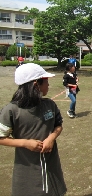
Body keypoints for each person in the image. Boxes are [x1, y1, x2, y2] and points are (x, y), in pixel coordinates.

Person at [0, 63, 67, 196]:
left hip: (51, 164)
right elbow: (1, 137)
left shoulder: (50, 105)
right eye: (46, 81)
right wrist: (25, 143)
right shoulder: (11, 110)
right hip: (27, 166)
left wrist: (51, 138)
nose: (48, 85)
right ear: (36, 84)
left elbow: (58, 125)